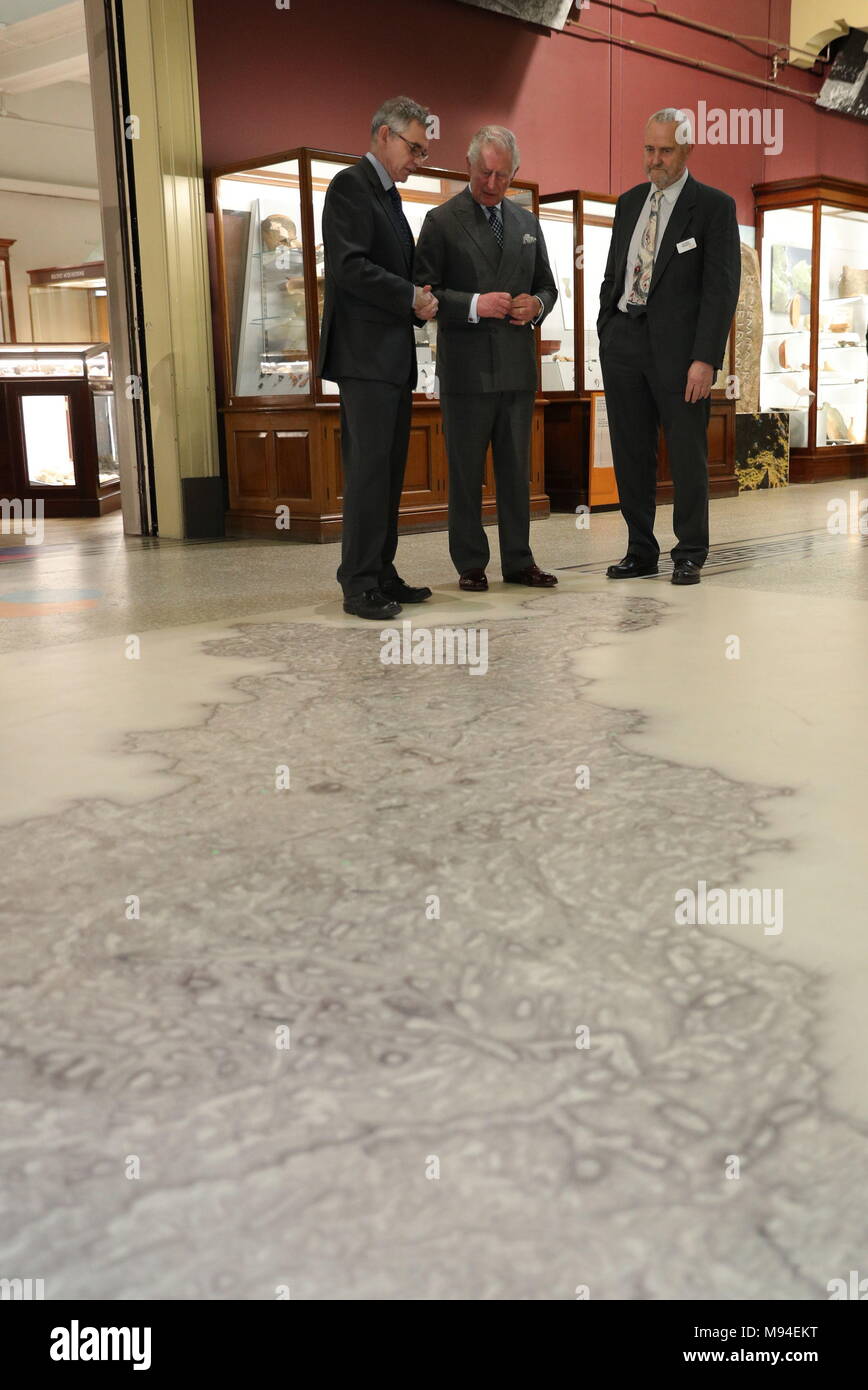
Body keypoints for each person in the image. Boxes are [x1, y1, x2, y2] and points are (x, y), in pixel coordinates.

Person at [598, 107, 741, 585]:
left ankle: (690, 552)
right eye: (649, 149)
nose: (654, 160)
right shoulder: (629, 203)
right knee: (630, 453)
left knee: (686, 454)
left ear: (687, 151)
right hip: (624, 342)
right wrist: (607, 328)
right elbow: (614, 272)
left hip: (682, 357)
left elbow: (721, 289)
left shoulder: (714, 207)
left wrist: (705, 358)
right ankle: (640, 550)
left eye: (665, 151)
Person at [413, 125, 558, 592]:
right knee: (466, 472)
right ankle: (470, 563)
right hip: (466, 371)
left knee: (517, 474)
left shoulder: (527, 224)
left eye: (502, 175)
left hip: (516, 370)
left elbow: (547, 286)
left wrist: (537, 306)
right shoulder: (440, 221)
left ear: (515, 173)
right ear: (468, 165)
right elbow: (424, 292)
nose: (492, 183)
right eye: (484, 173)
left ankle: (519, 561)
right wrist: (476, 304)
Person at [317, 95, 438, 619]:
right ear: (384, 135)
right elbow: (349, 267)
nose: (419, 159)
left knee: (388, 473)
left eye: (423, 151)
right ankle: (359, 582)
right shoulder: (351, 186)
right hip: (364, 358)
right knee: (368, 473)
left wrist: (419, 299)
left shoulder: (389, 196)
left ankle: (383, 572)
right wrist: (409, 296)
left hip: (390, 359)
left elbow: (390, 270)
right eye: (414, 148)